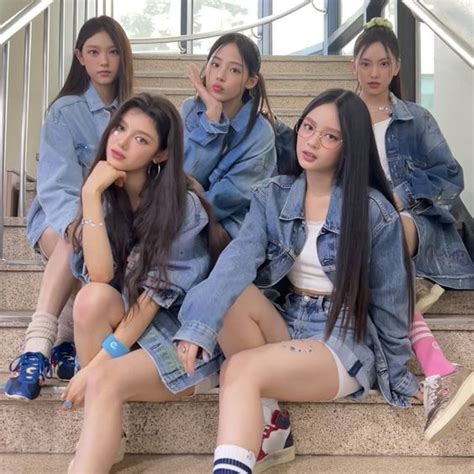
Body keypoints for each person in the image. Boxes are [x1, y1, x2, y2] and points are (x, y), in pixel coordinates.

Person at [175, 89, 420, 473]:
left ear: (349, 146)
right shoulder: (273, 196)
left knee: (239, 369)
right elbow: (236, 262)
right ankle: (272, 423)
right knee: (231, 294)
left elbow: (390, 300)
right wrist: (197, 324)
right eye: (308, 127)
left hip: (341, 337)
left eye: (330, 136)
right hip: (289, 319)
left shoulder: (373, 211)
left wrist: (399, 375)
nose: (312, 141)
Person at [61, 93, 228, 473]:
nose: (120, 142)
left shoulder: (182, 208)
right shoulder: (103, 195)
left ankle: (96, 431)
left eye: (140, 138)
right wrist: (90, 195)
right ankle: (105, 429)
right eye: (119, 128)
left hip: (178, 344)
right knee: (90, 299)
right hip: (128, 333)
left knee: (102, 379)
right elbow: (99, 276)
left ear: (160, 154)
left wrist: (92, 369)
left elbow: (150, 304)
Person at [352, 17, 473, 442]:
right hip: (360, 227)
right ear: (353, 66)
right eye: (366, 63)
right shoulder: (341, 116)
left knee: (390, 228)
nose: (374, 73)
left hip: (414, 223)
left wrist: (401, 195)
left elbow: (451, 175)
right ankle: (436, 366)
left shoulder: (416, 119)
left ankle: (416, 370)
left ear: (397, 67)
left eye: (383, 63)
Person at [5, 16, 134, 401]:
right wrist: (78, 226)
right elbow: (55, 186)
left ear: (123, 56)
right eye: (93, 52)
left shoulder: (134, 115)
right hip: (55, 218)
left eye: (112, 52)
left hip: (111, 227)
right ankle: (36, 348)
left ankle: (65, 344)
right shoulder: (65, 111)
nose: (104, 61)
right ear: (80, 57)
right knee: (75, 239)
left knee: (95, 245)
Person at [181, 32, 277, 239]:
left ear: (250, 81)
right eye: (215, 64)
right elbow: (183, 174)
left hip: (231, 228)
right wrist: (212, 119)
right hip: (182, 214)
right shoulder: (190, 109)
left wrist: (197, 194)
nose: (220, 76)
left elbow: (228, 199)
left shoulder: (261, 133)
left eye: (234, 70)